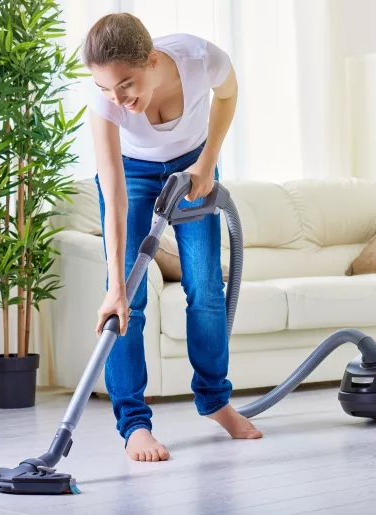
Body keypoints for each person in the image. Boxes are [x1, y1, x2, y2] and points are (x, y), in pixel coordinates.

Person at [82, 13, 262, 462]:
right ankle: (134, 425)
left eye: (125, 84)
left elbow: (229, 94)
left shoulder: (200, 58)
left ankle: (215, 401)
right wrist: (115, 288)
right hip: (134, 173)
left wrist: (207, 161)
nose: (117, 99)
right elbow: (114, 193)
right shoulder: (105, 105)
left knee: (205, 290)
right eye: (105, 88)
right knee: (130, 304)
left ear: (151, 58)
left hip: (193, 167)